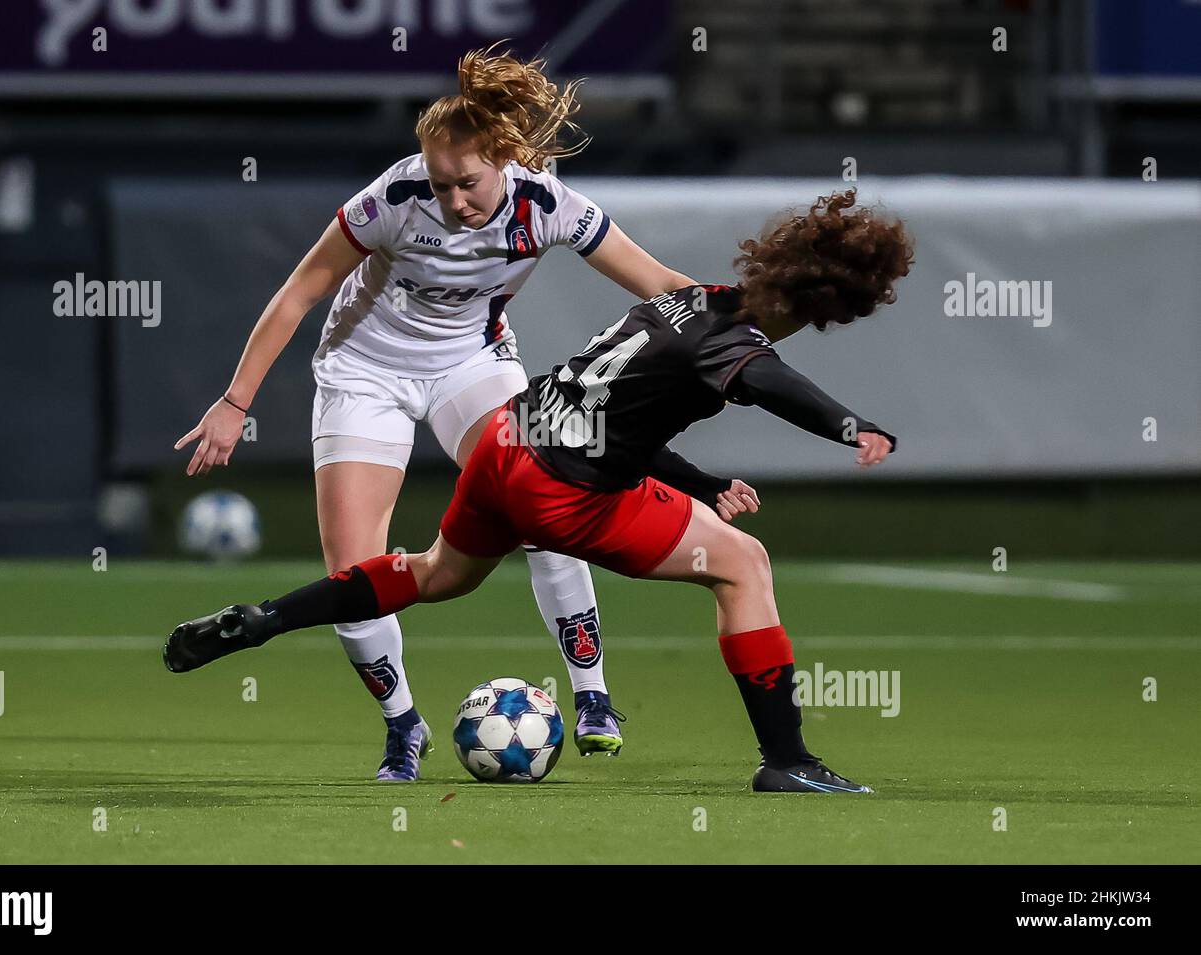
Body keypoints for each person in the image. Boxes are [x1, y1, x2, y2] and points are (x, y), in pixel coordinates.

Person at [165, 189, 914, 792]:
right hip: (560, 493)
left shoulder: (690, 300)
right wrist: (853, 427)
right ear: (833, 306)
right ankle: (786, 758)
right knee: (743, 563)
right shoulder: (736, 342)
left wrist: (704, 482)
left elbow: (621, 425)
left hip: (505, 443)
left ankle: (266, 617)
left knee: (434, 574)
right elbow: (775, 383)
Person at [173, 45, 702, 779]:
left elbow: (662, 285)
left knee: (545, 498)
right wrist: (236, 402)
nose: (454, 200)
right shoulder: (392, 199)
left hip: (471, 365)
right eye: (441, 183)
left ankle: (592, 696)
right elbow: (298, 293)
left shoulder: (550, 208)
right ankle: (403, 726)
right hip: (364, 372)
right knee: (352, 569)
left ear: (506, 160)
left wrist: (744, 319)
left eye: (468, 183)